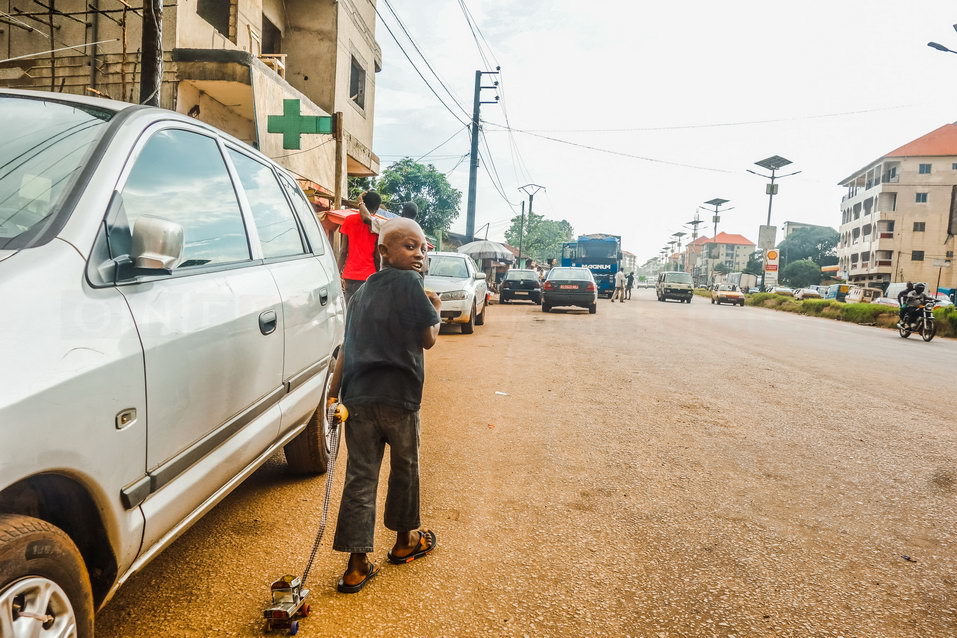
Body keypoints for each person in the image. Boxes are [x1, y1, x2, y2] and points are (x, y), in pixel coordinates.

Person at [328, 217, 441, 594]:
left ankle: (356, 566)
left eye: (422, 248)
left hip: (357, 399)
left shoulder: (361, 293)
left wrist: (332, 394)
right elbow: (427, 340)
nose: (419, 255)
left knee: (360, 477)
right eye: (409, 246)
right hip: (399, 398)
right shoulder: (412, 284)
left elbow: (346, 347)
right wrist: (436, 309)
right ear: (384, 251)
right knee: (405, 469)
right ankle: (405, 542)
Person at [339, 191, 382, 306]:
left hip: (349, 276)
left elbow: (343, 251)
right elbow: (377, 255)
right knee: (366, 313)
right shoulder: (377, 225)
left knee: (350, 311)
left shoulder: (348, 220)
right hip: (369, 276)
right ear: (377, 208)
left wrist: (337, 273)